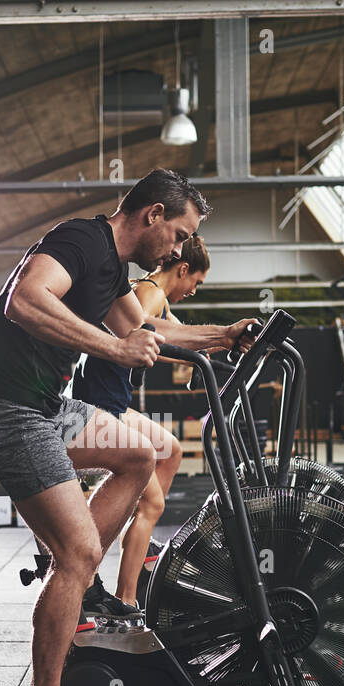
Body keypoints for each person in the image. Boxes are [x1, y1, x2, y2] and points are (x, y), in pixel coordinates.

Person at [0, 169, 256, 686]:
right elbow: (26, 300)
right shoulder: (81, 241)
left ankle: (82, 576)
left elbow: (150, 330)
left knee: (141, 454)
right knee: (77, 552)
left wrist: (224, 336)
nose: (177, 250)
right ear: (151, 215)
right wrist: (112, 349)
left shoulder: (114, 269)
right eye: (178, 233)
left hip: (45, 407)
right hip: (7, 411)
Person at [71, 235, 212, 607]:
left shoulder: (148, 293)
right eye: (195, 282)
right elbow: (147, 333)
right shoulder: (149, 295)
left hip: (107, 402)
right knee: (153, 504)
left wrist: (215, 347)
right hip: (98, 407)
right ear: (181, 269)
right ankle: (128, 597)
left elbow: (176, 340)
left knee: (171, 449)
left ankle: (141, 538)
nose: (194, 291)